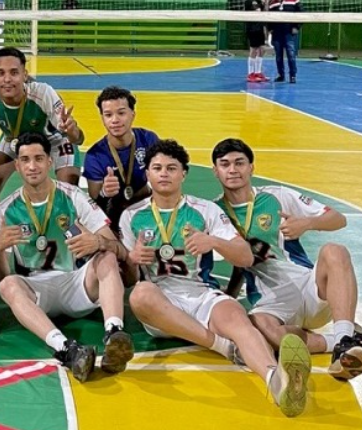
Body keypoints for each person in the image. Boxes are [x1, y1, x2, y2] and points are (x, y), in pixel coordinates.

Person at [120, 139, 312, 417]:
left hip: (202, 294)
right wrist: (132, 259)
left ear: (184, 174)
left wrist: (214, 242)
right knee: (140, 293)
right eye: (157, 168)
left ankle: (278, 383)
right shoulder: (131, 216)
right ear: (147, 173)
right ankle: (224, 347)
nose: (164, 173)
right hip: (161, 304)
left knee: (237, 317)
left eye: (171, 168)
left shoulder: (205, 210)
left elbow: (245, 257)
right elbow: (128, 279)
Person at [211, 138, 362, 380]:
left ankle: (343, 339)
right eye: (225, 164)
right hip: (271, 302)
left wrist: (308, 223)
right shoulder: (214, 211)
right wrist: (230, 293)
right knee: (256, 328)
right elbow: (241, 260)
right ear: (215, 171)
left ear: (252, 167)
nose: (233, 169)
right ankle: (347, 343)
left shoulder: (277, 196)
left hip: (310, 287)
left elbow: (338, 219)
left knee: (335, 250)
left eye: (240, 163)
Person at [0, 132, 133, 383]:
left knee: (107, 258)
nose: (32, 166)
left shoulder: (74, 197)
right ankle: (66, 349)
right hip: (37, 292)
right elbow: (2, 277)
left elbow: (117, 248)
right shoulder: (5, 210)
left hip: (76, 283)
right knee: (7, 285)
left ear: (50, 161)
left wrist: (98, 242)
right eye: (25, 160)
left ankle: (114, 333)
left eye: (38, 158)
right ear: (17, 166)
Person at [0, 47, 84, 221]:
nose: (7, 79)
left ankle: (65, 233)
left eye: (14, 73)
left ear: (25, 75)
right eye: (0, 73)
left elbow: (79, 139)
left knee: (69, 185)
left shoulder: (43, 92)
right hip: (14, 139)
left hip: (54, 140)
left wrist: (72, 130)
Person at [83, 86, 159, 235]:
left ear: (132, 114)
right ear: (102, 118)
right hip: (114, 214)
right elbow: (96, 207)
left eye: (121, 113)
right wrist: (105, 193)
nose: (115, 120)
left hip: (145, 207)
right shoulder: (95, 155)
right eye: (108, 115)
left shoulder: (149, 139)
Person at [268, 0, 302, 83]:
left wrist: (296, 27)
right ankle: (281, 75)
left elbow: (302, 14)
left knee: (291, 54)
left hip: (289, 32)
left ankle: (292, 75)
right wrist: (270, 29)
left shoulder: (294, 0)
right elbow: (269, 17)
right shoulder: (272, 2)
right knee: (278, 56)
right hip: (277, 33)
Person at [244, 0, 269, 82]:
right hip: (252, 28)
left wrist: (266, 0)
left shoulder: (258, 0)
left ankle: (258, 72)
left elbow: (266, 12)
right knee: (253, 50)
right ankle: (250, 74)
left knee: (262, 49)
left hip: (259, 27)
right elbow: (258, 13)